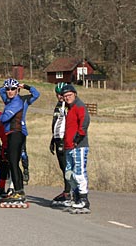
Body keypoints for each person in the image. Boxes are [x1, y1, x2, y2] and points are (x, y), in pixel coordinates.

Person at [0, 78, 40, 203]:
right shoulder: (8, 100)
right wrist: (8, 83)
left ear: (18, 90)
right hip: (11, 133)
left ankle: (19, 191)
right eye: (8, 89)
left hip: (17, 132)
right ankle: (19, 189)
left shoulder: (20, 101)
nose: (9, 91)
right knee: (13, 162)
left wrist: (24, 85)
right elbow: (0, 91)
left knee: (13, 162)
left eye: (13, 89)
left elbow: (4, 118)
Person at [61, 84, 90, 212]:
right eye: (65, 96)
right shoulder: (69, 108)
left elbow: (84, 123)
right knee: (69, 174)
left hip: (78, 146)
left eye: (69, 95)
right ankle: (76, 197)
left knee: (79, 172)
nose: (67, 98)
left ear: (75, 94)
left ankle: (84, 199)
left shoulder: (79, 106)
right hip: (68, 146)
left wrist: (77, 139)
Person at [50, 82, 72, 206]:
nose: (59, 96)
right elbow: (56, 123)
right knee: (63, 167)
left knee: (66, 166)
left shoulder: (67, 106)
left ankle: (69, 193)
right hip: (58, 137)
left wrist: (65, 139)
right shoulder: (58, 105)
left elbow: (68, 124)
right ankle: (66, 191)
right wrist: (53, 138)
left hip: (65, 139)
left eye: (61, 94)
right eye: (57, 94)